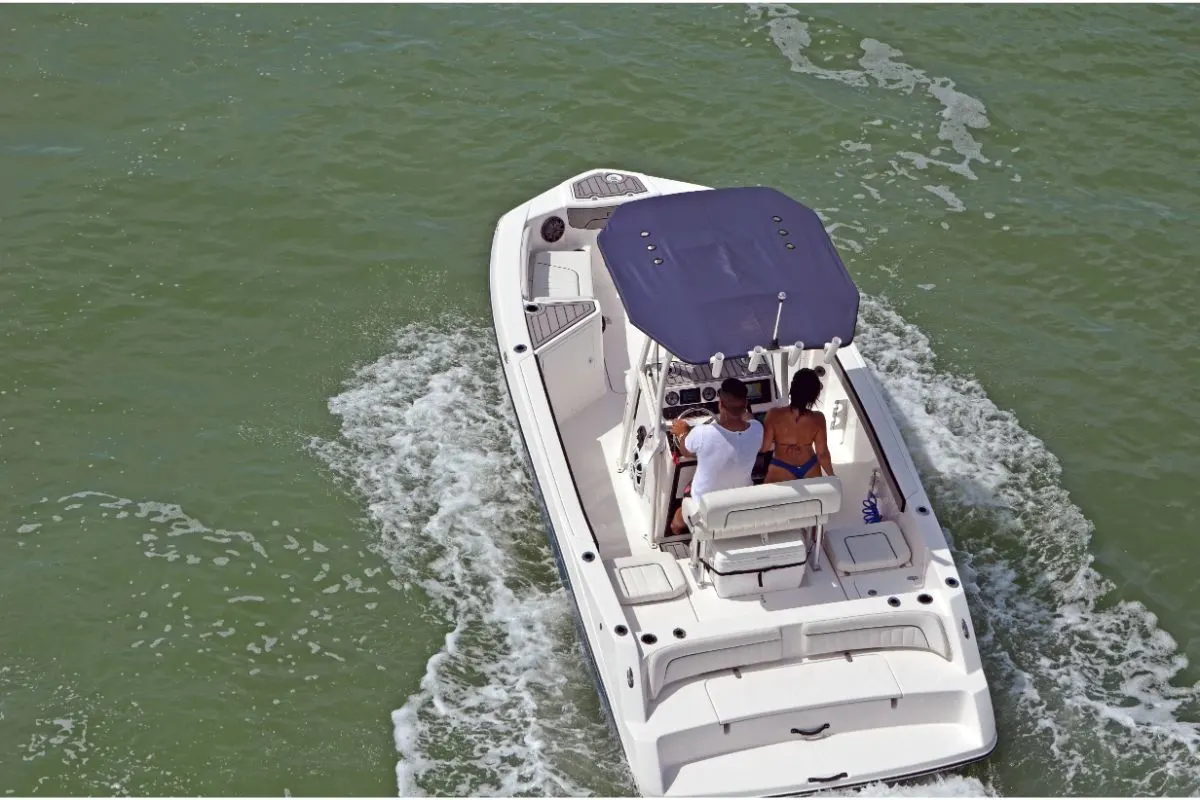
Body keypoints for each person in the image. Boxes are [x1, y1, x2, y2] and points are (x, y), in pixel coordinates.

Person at [669, 378, 764, 535]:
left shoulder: (701, 433)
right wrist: (742, 411)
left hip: (703, 508)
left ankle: (676, 530)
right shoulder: (757, 430)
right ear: (745, 404)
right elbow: (749, 419)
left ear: (720, 405)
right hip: (740, 504)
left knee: (678, 517)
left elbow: (685, 450)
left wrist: (682, 432)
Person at [760, 368, 834, 482]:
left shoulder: (773, 415)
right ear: (814, 394)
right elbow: (822, 453)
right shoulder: (818, 418)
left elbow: (764, 448)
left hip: (781, 467)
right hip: (810, 466)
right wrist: (832, 477)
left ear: (792, 388)